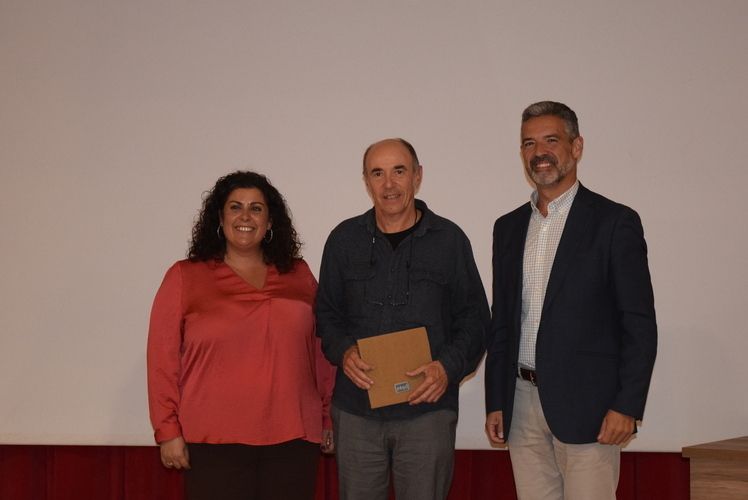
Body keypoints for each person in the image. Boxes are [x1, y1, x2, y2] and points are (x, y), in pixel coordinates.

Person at [485, 101, 658, 499]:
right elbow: (503, 323)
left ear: (576, 147)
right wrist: (496, 400)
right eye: (529, 143)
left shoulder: (614, 222)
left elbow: (638, 323)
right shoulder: (507, 228)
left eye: (551, 140)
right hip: (521, 404)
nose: (539, 152)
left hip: (591, 408)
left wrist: (627, 405)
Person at [316, 138, 489, 500]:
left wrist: (447, 368)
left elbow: (475, 320)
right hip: (357, 412)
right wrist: (344, 351)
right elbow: (326, 314)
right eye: (377, 173)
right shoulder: (343, 240)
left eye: (399, 171)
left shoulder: (449, 240)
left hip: (426, 412)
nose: (389, 184)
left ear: (417, 176)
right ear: (366, 180)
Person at [147, 171, 335, 500]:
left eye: (256, 208)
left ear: (270, 221)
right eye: (235, 207)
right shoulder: (184, 276)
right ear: (220, 218)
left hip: (293, 437)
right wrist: (167, 429)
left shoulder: (299, 274)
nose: (245, 216)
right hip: (214, 440)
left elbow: (322, 351)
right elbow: (162, 360)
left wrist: (329, 416)